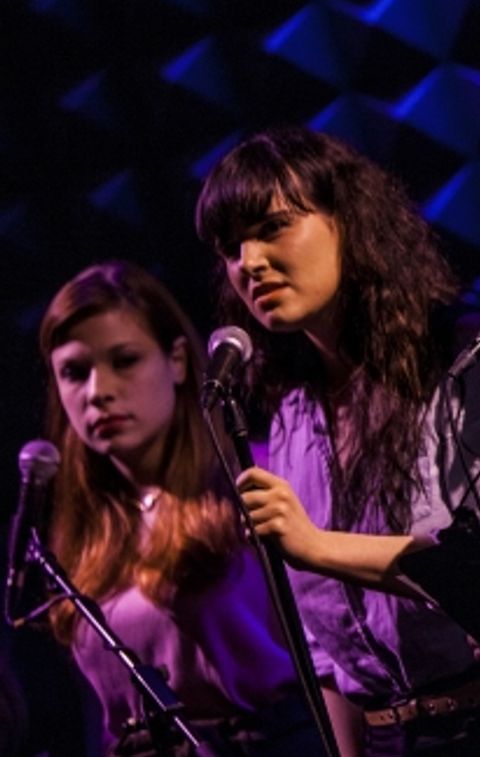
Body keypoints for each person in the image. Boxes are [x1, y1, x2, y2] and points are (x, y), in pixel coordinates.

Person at [194, 128, 480, 756]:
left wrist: (316, 545)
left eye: (272, 228)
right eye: (231, 248)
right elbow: (324, 656)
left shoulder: (465, 360)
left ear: (348, 221)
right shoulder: (293, 416)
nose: (249, 262)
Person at [36, 260, 319, 755]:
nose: (98, 392)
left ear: (178, 361)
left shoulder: (259, 477)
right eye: (74, 373)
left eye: (125, 360)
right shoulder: (83, 532)